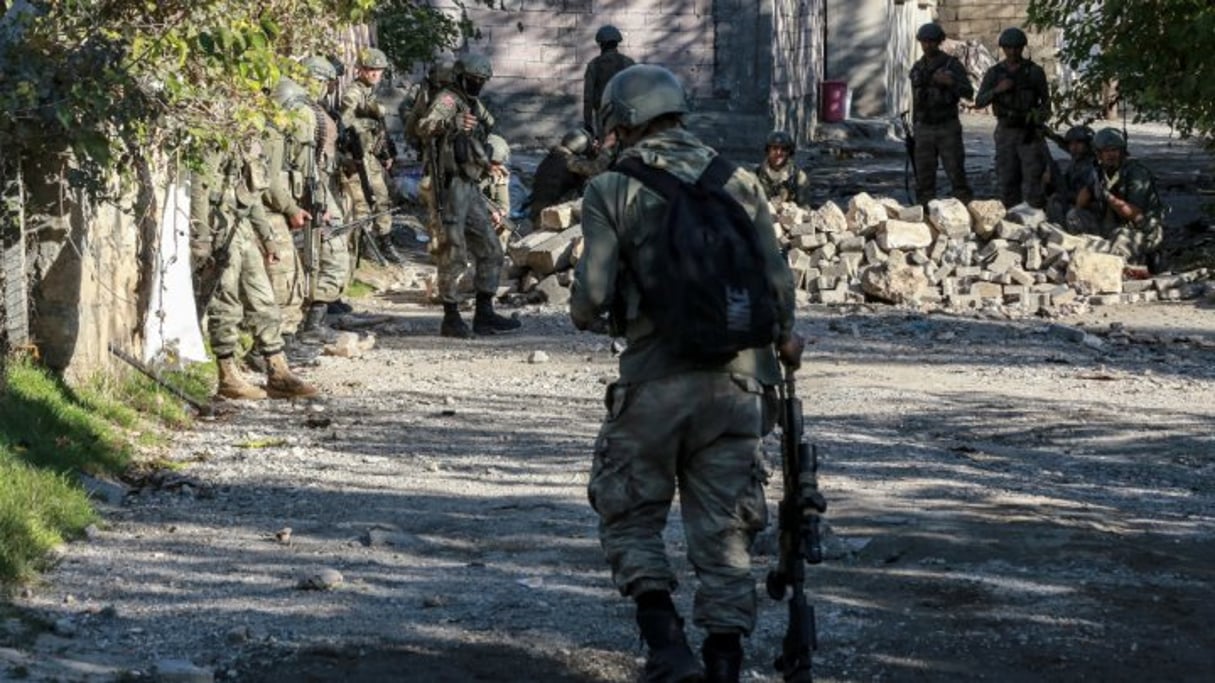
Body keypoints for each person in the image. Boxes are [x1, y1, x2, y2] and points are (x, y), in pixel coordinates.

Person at [570, 64, 803, 683]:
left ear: (621, 121)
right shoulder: (740, 180)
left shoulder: (611, 189)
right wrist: (781, 341)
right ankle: (725, 662)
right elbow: (779, 286)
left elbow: (588, 301)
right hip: (740, 383)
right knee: (726, 527)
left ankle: (668, 647)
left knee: (630, 511)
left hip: (654, 379)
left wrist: (599, 309)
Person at [189, 141, 318, 401]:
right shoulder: (216, 136)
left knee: (263, 297)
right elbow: (199, 187)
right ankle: (227, 374)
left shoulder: (244, 136)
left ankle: (277, 370)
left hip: (240, 223)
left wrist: (266, 238)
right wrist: (202, 237)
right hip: (217, 226)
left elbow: (252, 192)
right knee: (225, 303)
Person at [416, 53, 521, 338]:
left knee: (491, 247)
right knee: (453, 251)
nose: (478, 85)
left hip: (470, 184)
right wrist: (452, 124)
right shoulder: (448, 100)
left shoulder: (472, 102)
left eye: (482, 81)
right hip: (449, 186)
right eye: (474, 80)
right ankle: (451, 317)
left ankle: (484, 313)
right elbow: (424, 127)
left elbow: (489, 125)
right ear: (462, 77)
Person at [339, 47, 405, 264]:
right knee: (362, 204)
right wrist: (366, 118)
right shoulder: (354, 93)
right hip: (357, 158)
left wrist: (386, 152)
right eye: (371, 69)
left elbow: (379, 129)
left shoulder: (370, 93)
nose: (376, 74)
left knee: (382, 199)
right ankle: (362, 247)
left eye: (379, 70)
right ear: (361, 70)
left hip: (371, 156)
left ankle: (385, 242)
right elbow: (346, 123)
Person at [975, 27, 1051, 208]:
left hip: (1029, 133)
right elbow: (979, 102)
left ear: (1023, 48)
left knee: (1033, 178)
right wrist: (997, 90)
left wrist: (1037, 121)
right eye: (1008, 48)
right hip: (1006, 131)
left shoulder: (1034, 72)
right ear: (1002, 48)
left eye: (1017, 48)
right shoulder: (994, 73)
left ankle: (1034, 215)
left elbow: (1046, 104)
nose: (1012, 52)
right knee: (1007, 177)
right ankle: (1010, 215)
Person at [908, 22, 974, 205]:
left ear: (939, 42)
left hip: (947, 126)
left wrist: (950, 82)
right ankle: (926, 214)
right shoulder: (918, 67)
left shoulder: (952, 64)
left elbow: (969, 92)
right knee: (924, 177)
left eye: (931, 42)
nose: (928, 45)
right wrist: (915, 127)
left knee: (956, 173)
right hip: (924, 127)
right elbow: (916, 98)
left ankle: (964, 210)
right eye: (924, 42)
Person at [1090, 127, 1166, 267]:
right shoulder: (1101, 171)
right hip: (1112, 227)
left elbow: (1135, 214)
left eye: (1114, 150)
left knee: (1120, 238)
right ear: (1099, 154)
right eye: (1106, 151)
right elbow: (1080, 203)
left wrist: (1108, 196)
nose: (1111, 155)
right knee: (1075, 216)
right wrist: (1091, 188)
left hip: (1142, 231)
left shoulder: (1136, 173)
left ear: (1122, 151)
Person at [528, 128, 611, 225]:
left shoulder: (552, 158)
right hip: (551, 213)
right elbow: (596, 168)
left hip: (537, 210)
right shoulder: (569, 161)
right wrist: (606, 150)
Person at [1044, 125, 1100, 232]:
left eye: (1079, 143)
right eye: (1071, 144)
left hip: (1089, 210)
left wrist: (1065, 195)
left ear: (1088, 144)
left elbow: (1089, 196)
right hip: (1074, 203)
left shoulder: (1094, 165)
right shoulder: (1075, 163)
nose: (1074, 147)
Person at [583, 25, 635, 135]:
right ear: (617, 43)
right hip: (624, 113)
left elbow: (588, 97)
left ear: (601, 45)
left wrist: (588, 124)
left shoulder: (594, 65)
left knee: (605, 145)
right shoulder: (628, 62)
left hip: (603, 115)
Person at [753, 130, 810, 206]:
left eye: (784, 149)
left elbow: (804, 208)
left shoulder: (798, 177)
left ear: (789, 152)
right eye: (775, 148)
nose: (778, 153)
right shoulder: (756, 174)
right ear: (768, 150)